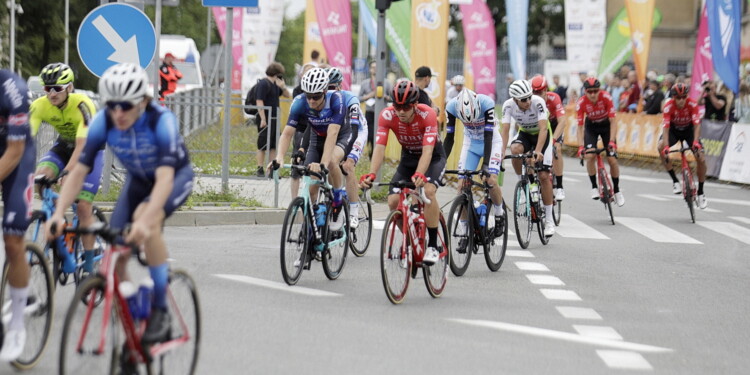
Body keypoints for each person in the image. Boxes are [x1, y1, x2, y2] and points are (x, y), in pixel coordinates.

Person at [46, 63, 195, 346]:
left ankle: (161, 309)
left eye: (126, 106)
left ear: (143, 101)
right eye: (113, 105)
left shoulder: (161, 122)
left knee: (145, 220)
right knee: (115, 256)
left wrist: (142, 223)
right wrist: (57, 214)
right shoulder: (103, 121)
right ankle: (132, 323)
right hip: (138, 180)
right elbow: (78, 171)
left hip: (173, 179)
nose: (119, 113)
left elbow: (164, 181)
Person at [359, 80, 446, 265]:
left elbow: (428, 151)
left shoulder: (427, 114)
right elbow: (380, 147)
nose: (401, 111)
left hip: (433, 158)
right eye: (397, 106)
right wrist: (371, 174)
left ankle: (432, 244)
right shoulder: (387, 115)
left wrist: (421, 174)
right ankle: (410, 239)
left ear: (414, 105)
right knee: (392, 202)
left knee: (428, 192)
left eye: (406, 107)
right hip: (408, 158)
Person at [30, 63, 102, 276]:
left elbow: (82, 147)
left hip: (90, 148)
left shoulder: (83, 104)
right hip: (63, 147)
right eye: (47, 88)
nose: (52, 93)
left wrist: (68, 172)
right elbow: (24, 140)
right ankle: (60, 221)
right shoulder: (40, 105)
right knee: (40, 180)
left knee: (82, 206)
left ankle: (90, 262)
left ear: (69, 88)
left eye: (57, 88)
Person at [272, 68, 350, 231]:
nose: (312, 101)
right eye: (308, 96)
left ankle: (337, 201)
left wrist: (322, 164)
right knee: (311, 186)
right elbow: (287, 133)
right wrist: (279, 157)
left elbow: (332, 134)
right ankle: (312, 225)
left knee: (331, 163)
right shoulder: (299, 102)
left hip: (340, 135)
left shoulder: (336, 100)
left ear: (324, 91)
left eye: (316, 97)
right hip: (317, 138)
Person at [0, 69, 36, 361]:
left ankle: (16, 325)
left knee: (12, 239)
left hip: (16, 157)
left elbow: (13, 152)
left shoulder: (14, 89)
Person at [443, 88, 505, 237]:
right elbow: (449, 139)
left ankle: (499, 213)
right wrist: (441, 163)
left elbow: (489, 136)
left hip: (491, 142)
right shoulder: (451, 107)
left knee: (490, 180)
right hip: (470, 143)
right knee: (461, 187)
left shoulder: (486, 103)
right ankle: (465, 231)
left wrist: (485, 165)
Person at [500, 80, 556, 237]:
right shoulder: (508, 105)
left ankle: (550, 220)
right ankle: (523, 183)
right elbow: (505, 130)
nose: (528, 101)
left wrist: (538, 151)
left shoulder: (538, 102)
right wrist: (502, 152)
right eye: (524, 100)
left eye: (529, 97)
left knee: (544, 176)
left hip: (542, 135)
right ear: (515, 100)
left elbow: (544, 128)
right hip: (525, 134)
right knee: (515, 149)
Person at [326, 67, 368, 229]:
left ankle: (354, 212)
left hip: (356, 131)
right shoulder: (322, 100)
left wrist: (346, 155)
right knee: (330, 164)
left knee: (347, 166)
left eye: (333, 87)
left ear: (339, 86)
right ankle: (334, 196)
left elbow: (355, 129)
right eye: (327, 87)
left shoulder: (350, 98)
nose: (330, 91)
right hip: (339, 133)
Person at [576, 77, 625, 206]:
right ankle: (594, 186)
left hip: (606, 127)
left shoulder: (606, 98)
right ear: (585, 91)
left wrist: (612, 142)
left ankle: (617, 191)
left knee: (612, 159)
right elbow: (580, 127)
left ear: (600, 90)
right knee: (590, 155)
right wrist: (581, 146)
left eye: (595, 91)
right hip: (591, 127)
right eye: (589, 91)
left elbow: (613, 122)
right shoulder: (581, 102)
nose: (593, 94)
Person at [658, 83, 708, 208]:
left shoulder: (692, 104)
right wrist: (666, 147)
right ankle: (675, 180)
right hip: (673, 131)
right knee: (660, 147)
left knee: (701, 158)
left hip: (689, 131)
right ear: (673, 97)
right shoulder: (668, 106)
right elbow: (665, 128)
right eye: (678, 98)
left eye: (683, 97)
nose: (681, 100)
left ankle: (701, 192)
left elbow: (697, 125)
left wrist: (696, 142)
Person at [531, 74, 567, 201]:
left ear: (546, 91)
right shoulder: (530, 100)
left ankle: (560, 186)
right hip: (540, 127)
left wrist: (553, 140)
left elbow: (562, 121)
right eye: (534, 92)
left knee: (556, 149)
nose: (536, 95)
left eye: (540, 92)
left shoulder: (554, 98)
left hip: (554, 125)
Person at [254, 62, 292, 177]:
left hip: (274, 118)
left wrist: (282, 86)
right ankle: (260, 168)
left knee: (274, 144)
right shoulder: (263, 84)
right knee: (262, 144)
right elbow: (259, 101)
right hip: (264, 118)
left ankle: (271, 169)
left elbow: (287, 95)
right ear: (277, 74)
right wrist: (263, 118)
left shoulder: (276, 85)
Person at [289, 63, 316, 198]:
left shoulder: (320, 89)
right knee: (296, 164)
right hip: (301, 129)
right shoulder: (298, 91)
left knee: (314, 166)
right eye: (307, 73)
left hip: (316, 130)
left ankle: (311, 198)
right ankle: (294, 200)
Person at [358, 61, 392, 156]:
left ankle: (375, 155)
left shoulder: (387, 83)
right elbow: (359, 98)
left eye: (377, 67)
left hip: (382, 113)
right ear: (369, 69)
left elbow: (393, 98)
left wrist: (385, 96)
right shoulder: (365, 83)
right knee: (369, 134)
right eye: (373, 67)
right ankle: (371, 150)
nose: (375, 69)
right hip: (370, 112)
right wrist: (369, 96)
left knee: (379, 135)